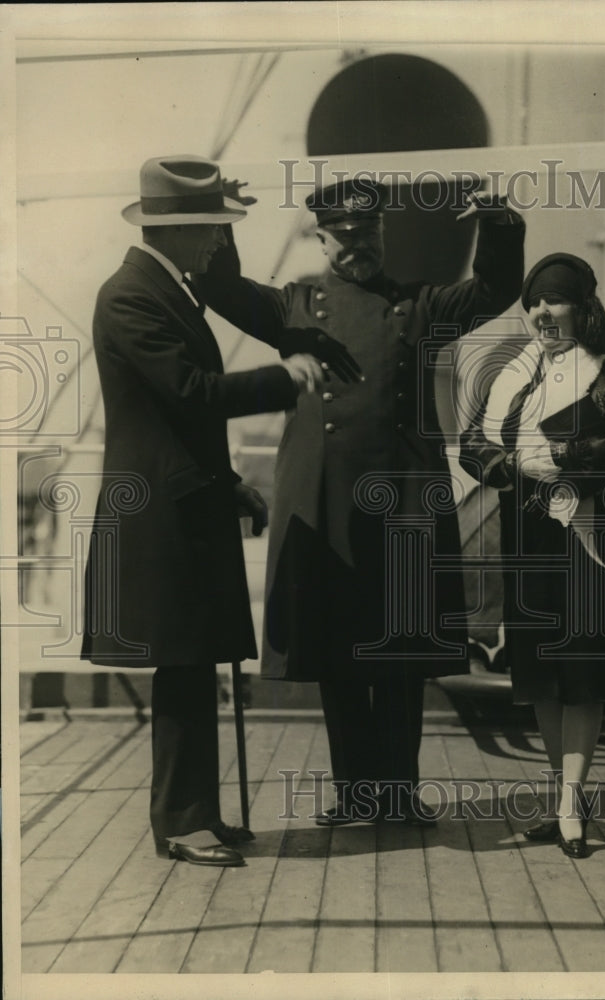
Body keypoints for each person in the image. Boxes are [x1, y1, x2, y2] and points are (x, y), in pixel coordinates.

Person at [197, 177, 525, 826]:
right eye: (343, 238)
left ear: (382, 233)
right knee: (338, 650)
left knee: (402, 654)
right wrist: (222, 217)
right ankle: (356, 794)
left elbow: (493, 291)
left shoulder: (420, 303)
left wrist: (496, 221)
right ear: (320, 238)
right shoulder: (294, 303)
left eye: (367, 235)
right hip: (326, 500)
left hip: (403, 499)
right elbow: (221, 289)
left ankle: (398, 794)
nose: (357, 248)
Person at [81, 154, 323, 867]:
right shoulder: (130, 295)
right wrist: (285, 377)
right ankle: (183, 823)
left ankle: (198, 815)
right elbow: (189, 392)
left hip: (183, 504)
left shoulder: (168, 289)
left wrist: (231, 486)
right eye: (212, 228)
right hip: (159, 517)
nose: (218, 242)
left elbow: (176, 418)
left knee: (193, 665)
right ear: (177, 229)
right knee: (183, 665)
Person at [459, 253, 605, 858]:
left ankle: (571, 805)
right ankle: (564, 796)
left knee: (583, 671)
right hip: (530, 528)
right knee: (541, 668)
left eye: (556, 299)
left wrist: (565, 459)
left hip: (590, 533)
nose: (543, 311)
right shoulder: (514, 373)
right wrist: (506, 463)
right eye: (535, 301)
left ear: (583, 306)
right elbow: (473, 443)